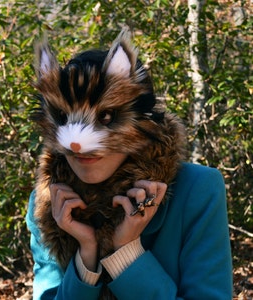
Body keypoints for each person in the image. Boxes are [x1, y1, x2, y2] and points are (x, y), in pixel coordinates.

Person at [26, 31, 233, 299]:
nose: (78, 144)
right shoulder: (46, 205)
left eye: (105, 117)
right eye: (64, 118)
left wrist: (127, 252)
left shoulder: (197, 190)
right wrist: (86, 254)